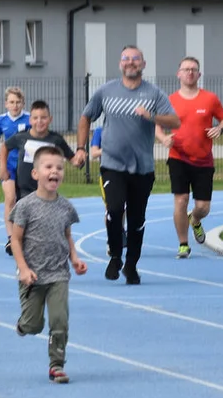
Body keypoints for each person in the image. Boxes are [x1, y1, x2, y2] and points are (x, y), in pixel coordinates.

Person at [75, 45, 180, 285]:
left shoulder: (153, 93)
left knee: (136, 219)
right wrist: (81, 148)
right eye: (126, 59)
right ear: (120, 64)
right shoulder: (106, 91)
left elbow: (175, 120)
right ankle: (115, 255)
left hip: (142, 167)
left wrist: (152, 117)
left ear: (143, 64)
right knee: (113, 210)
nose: (130, 62)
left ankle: (131, 264)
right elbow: (85, 116)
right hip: (112, 163)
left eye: (135, 59)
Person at [10, 146, 87, 383]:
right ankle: (24, 325)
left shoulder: (66, 207)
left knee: (59, 320)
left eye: (60, 168)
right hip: (32, 275)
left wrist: (74, 258)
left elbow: (67, 235)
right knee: (34, 325)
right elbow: (16, 239)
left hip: (58, 274)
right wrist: (23, 268)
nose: (55, 171)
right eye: (49, 167)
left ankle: (56, 365)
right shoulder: (25, 206)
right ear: (35, 174)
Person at [155, 56, 223, 259]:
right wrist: (163, 139)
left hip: (203, 159)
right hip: (178, 157)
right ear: (178, 73)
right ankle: (183, 244)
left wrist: (220, 129)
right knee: (181, 200)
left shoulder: (209, 98)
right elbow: (158, 127)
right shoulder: (169, 101)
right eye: (186, 69)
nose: (189, 72)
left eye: (193, 69)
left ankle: (195, 220)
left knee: (202, 207)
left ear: (199, 74)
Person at [0, 100, 85, 200]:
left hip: (47, 192)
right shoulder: (21, 137)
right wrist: (3, 168)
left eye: (43, 118)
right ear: (30, 120)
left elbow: (73, 159)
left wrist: (79, 159)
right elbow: (5, 147)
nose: (39, 121)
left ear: (50, 119)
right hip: (23, 192)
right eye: (35, 118)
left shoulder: (56, 139)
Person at [0, 87, 30, 255]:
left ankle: (24, 236)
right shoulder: (1, 120)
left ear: (23, 103)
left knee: (25, 202)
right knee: (10, 198)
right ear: (6, 104)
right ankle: (10, 238)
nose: (15, 105)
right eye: (12, 102)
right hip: (8, 165)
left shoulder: (29, 119)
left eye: (18, 102)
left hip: (26, 165)